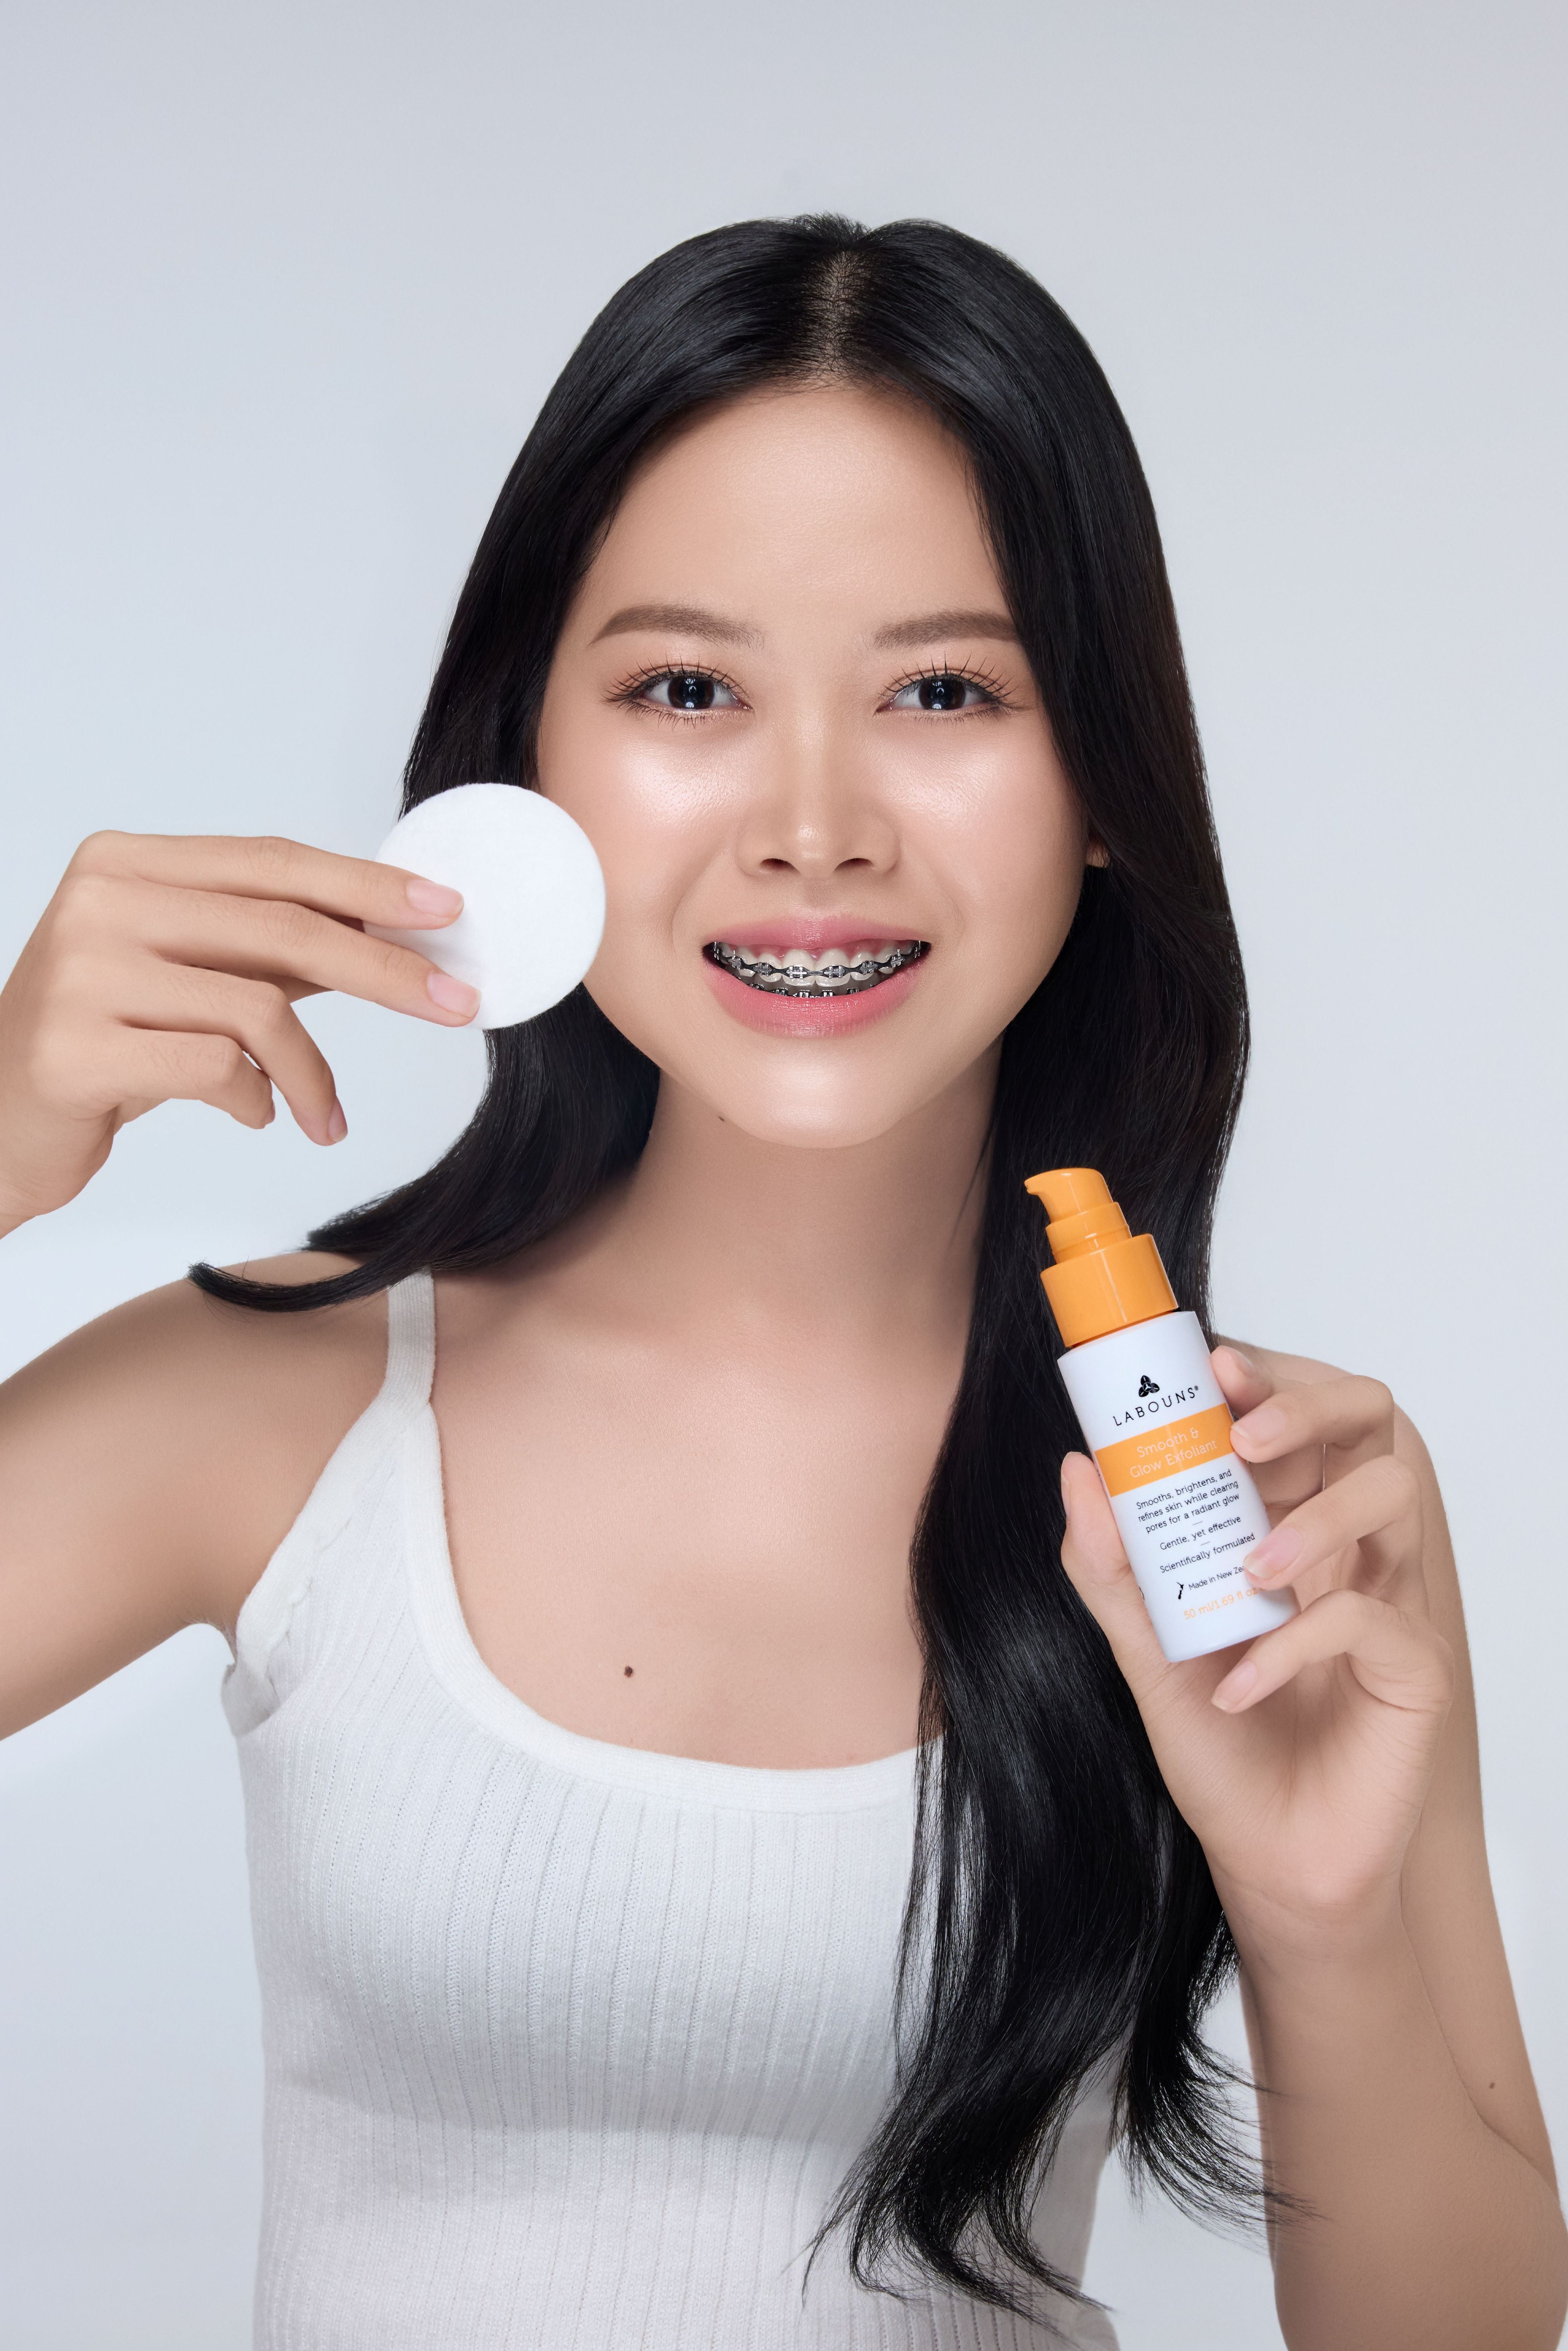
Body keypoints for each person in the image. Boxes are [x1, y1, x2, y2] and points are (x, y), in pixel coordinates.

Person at [0, 216, 1561, 2351]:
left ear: (1102, 780)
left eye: (944, 690)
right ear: (523, 765)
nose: (814, 827)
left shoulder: (1261, 1511)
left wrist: (1323, 1917)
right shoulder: (271, 1400)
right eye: (685, 691)